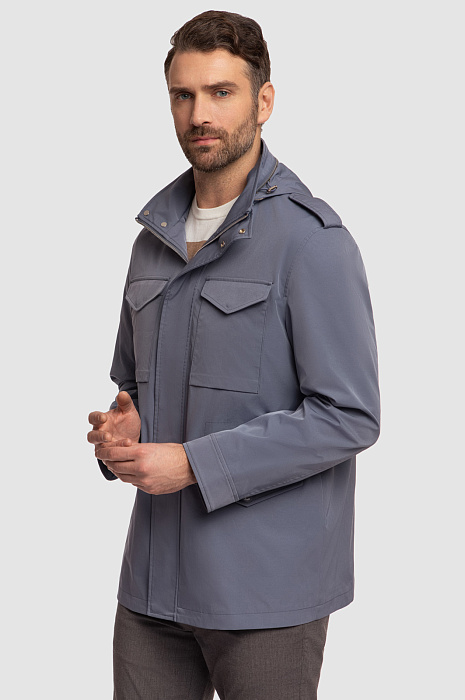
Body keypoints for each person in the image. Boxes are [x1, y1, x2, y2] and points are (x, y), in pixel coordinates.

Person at [87, 10, 380, 700]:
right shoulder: (151, 242)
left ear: (263, 101)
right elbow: (134, 386)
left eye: (221, 92)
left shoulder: (312, 241)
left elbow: (349, 416)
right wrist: (122, 432)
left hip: (266, 592)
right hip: (152, 586)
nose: (200, 114)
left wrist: (193, 463)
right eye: (183, 95)